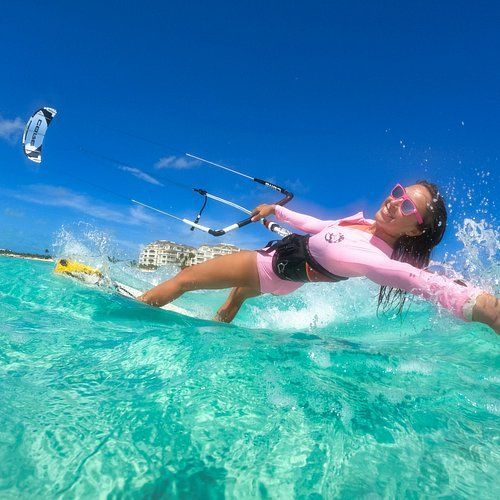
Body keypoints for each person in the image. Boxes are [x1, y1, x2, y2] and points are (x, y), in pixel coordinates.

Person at [138, 181, 499, 334]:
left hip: (266, 268)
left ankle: (135, 309)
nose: (394, 201)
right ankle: (219, 328)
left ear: (415, 230)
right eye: (398, 192)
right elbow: (318, 224)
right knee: (235, 297)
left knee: (186, 280)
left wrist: (480, 306)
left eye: (407, 206)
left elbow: (415, 279)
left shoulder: (374, 257)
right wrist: (275, 212)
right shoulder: (364, 225)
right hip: (282, 273)